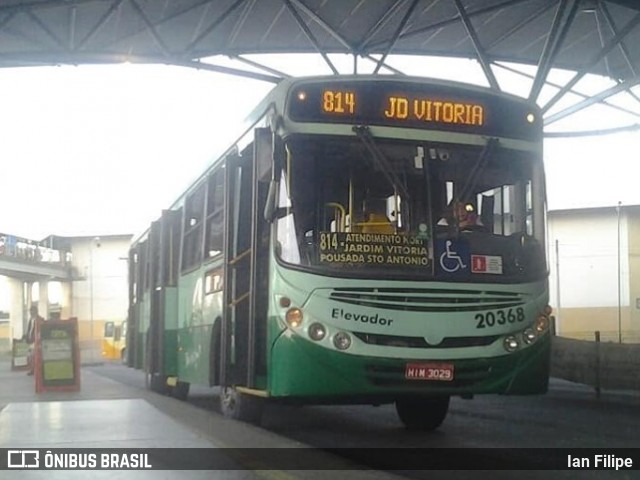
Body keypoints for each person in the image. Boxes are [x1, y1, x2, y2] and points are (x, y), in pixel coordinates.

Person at [24, 305, 44, 375]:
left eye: (32, 311)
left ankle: (36, 370)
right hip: (30, 341)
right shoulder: (30, 320)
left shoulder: (40, 319)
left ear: (36, 311)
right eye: (30, 311)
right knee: (31, 357)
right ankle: (32, 369)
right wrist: (27, 337)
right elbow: (29, 330)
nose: (31, 312)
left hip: (36, 341)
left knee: (35, 356)